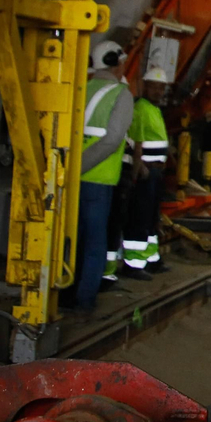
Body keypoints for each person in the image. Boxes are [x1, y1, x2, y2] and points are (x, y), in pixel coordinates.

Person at [70, 39, 133, 315]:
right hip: (98, 181)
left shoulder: (78, 88)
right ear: (115, 63)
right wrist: (81, 167)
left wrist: (70, 171)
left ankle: (63, 295)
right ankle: (84, 301)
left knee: (71, 240)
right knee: (95, 243)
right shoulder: (120, 94)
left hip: (69, 181)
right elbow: (113, 138)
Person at [122, 77, 170, 276]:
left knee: (151, 217)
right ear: (145, 87)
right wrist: (138, 168)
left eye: (161, 88)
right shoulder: (141, 108)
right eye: (154, 87)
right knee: (140, 217)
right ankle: (133, 264)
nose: (158, 91)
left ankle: (151, 259)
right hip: (146, 172)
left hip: (155, 171)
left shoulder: (154, 109)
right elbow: (137, 141)